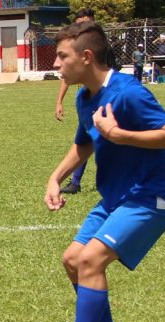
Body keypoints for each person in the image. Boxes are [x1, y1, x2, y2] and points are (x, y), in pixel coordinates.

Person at [31, 21, 165, 322]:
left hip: (153, 195)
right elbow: (84, 143)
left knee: (90, 259)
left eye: (63, 56)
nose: (57, 64)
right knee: (72, 260)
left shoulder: (128, 92)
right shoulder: (85, 97)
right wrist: (55, 177)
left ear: (86, 57)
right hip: (117, 197)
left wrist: (120, 134)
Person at [55, 8, 104, 195]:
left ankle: (105, 180)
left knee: (102, 140)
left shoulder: (101, 47)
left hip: (103, 98)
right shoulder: (82, 97)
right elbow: (64, 76)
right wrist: (59, 101)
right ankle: (75, 182)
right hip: (88, 98)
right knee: (84, 139)